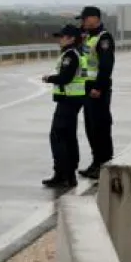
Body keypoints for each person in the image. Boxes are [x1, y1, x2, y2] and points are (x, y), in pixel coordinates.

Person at [41, 24, 89, 188]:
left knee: (58, 137)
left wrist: (49, 78)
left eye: (62, 37)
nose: (59, 40)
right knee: (68, 137)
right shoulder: (76, 53)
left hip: (69, 101)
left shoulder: (70, 56)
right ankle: (68, 174)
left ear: (71, 39)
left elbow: (65, 78)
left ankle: (63, 174)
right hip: (73, 100)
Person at [76, 6, 115, 180]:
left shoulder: (103, 38)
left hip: (98, 89)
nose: (82, 23)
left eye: (84, 19)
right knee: (91, 128)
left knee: (100, 127)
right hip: (87, 88)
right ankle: (96, 162)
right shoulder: (88, 37)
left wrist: (98, 87)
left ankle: (104, 164)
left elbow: (106, 66)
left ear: (93, 19)